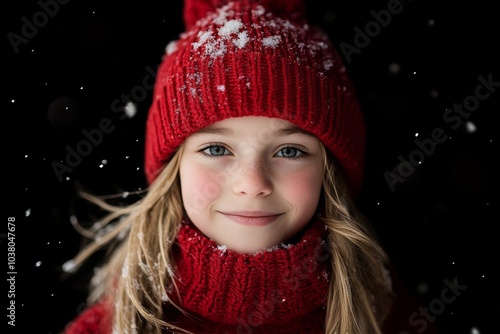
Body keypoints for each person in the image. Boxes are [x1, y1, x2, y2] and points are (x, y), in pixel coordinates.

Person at [63, 0, 439, 333]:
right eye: (215, 148)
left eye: (289, 151)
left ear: (331, 171)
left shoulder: (390, 321)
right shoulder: (109, 329)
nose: (252, 183)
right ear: (173, 169)